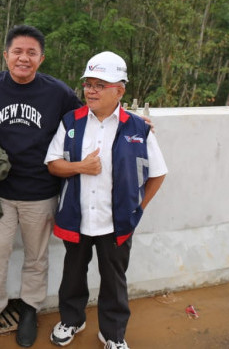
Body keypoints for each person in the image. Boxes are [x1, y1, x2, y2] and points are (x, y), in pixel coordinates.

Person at [0, 25, 82, 347]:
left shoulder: (57, 92)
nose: (24, 58)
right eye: (17, 52)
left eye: (31, 53)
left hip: (41, 192)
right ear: (6, 55)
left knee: (36, 257)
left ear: (41, 58)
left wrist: (129, 119)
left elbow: (86, 116)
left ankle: (30, 309)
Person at [45, 51, 168, 349]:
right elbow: (52, 163)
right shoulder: (71, 121)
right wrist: (80, 167)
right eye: (88, 84)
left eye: (100, 84)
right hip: (77, 217)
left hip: (117, 223)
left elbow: (158, 173)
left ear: (120, 90)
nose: (91, 90)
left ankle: (113, 334)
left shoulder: (138, 128)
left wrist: (138, 209)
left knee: (114, 281)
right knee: (72, 275)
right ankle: (72, 320)